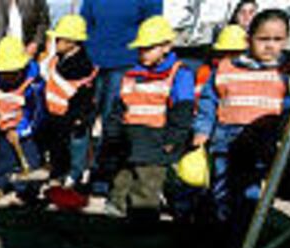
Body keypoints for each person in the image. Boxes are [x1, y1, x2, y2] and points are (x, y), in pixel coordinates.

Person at [192, 9, 290, 237]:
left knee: (250, 194)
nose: (270, 46)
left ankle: (244, 239)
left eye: (277, 39)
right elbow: (208, 100)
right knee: (221, 191)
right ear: (248, 38)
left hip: (262, 145)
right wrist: (202, 129)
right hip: (225, 143)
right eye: (263, 39)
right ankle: (219, 237)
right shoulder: (225, 69)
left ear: (286, 40)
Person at [103, 15, 195, 221]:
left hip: (157, 140)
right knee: (122, 178)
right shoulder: (131, 74)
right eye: (140, 48)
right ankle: (116, 212)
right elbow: (120, 106)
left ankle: (143, 222)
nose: (142, 52)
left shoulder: (180, 73)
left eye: (148, 48)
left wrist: (174, 139)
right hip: (129, 139)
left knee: (148, 183)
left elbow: (183, 111)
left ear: (166, 46)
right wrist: (113, 132)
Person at [81, 0, 162, 195]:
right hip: (92, 63)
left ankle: (104, 176)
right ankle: (75, 173)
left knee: (112, 123)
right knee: (83, 120)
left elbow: (152, 25)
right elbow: (85, 22)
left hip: (126, 63)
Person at [37, 14, 97, 187]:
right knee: (58, 146)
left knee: (77, 145)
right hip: (56, 113)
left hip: (74, 115)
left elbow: (84, 95)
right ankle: (59, 171)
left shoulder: (82, 66)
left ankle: (75, 174)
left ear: (72, 42)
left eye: (59, 39)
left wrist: (80, 117)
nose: (56, 42)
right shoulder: (58, 59)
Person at [0, 36, 46, 201]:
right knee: (3, 157)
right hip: (5, 128)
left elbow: (37, 113)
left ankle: (27, 189)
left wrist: (21, 132)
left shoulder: (33, 86)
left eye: (12, 73)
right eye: (5, 73)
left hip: (25, 130)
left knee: (30, 160)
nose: (8, 77)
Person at [194, 24, 247, 105]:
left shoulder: (253, 73)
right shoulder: (206, 72)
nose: (228, 57)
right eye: (224, 53)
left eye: (234, 53)